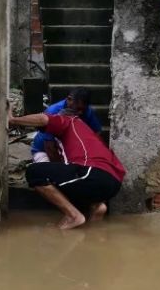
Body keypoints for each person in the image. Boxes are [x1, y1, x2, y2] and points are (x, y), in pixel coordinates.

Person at [8, 100, 125, 230]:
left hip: (92, 172)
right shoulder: (89, 134)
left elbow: (43, 119)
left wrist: (13, 120)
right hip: (114, 183)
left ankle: (73, 216)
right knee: (74, 180)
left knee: (35, 172)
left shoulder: (69, 121)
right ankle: (97, 206)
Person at [31, 88, 102, 163]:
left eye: (83, 110)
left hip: (70, 151)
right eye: (78, 109)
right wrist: (61, 168)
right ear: (69, 99)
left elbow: (97, 133)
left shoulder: (87, 111)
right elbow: (49, 147)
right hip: (44, 151)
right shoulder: (52, 112)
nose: (80, 113)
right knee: (50, 172)